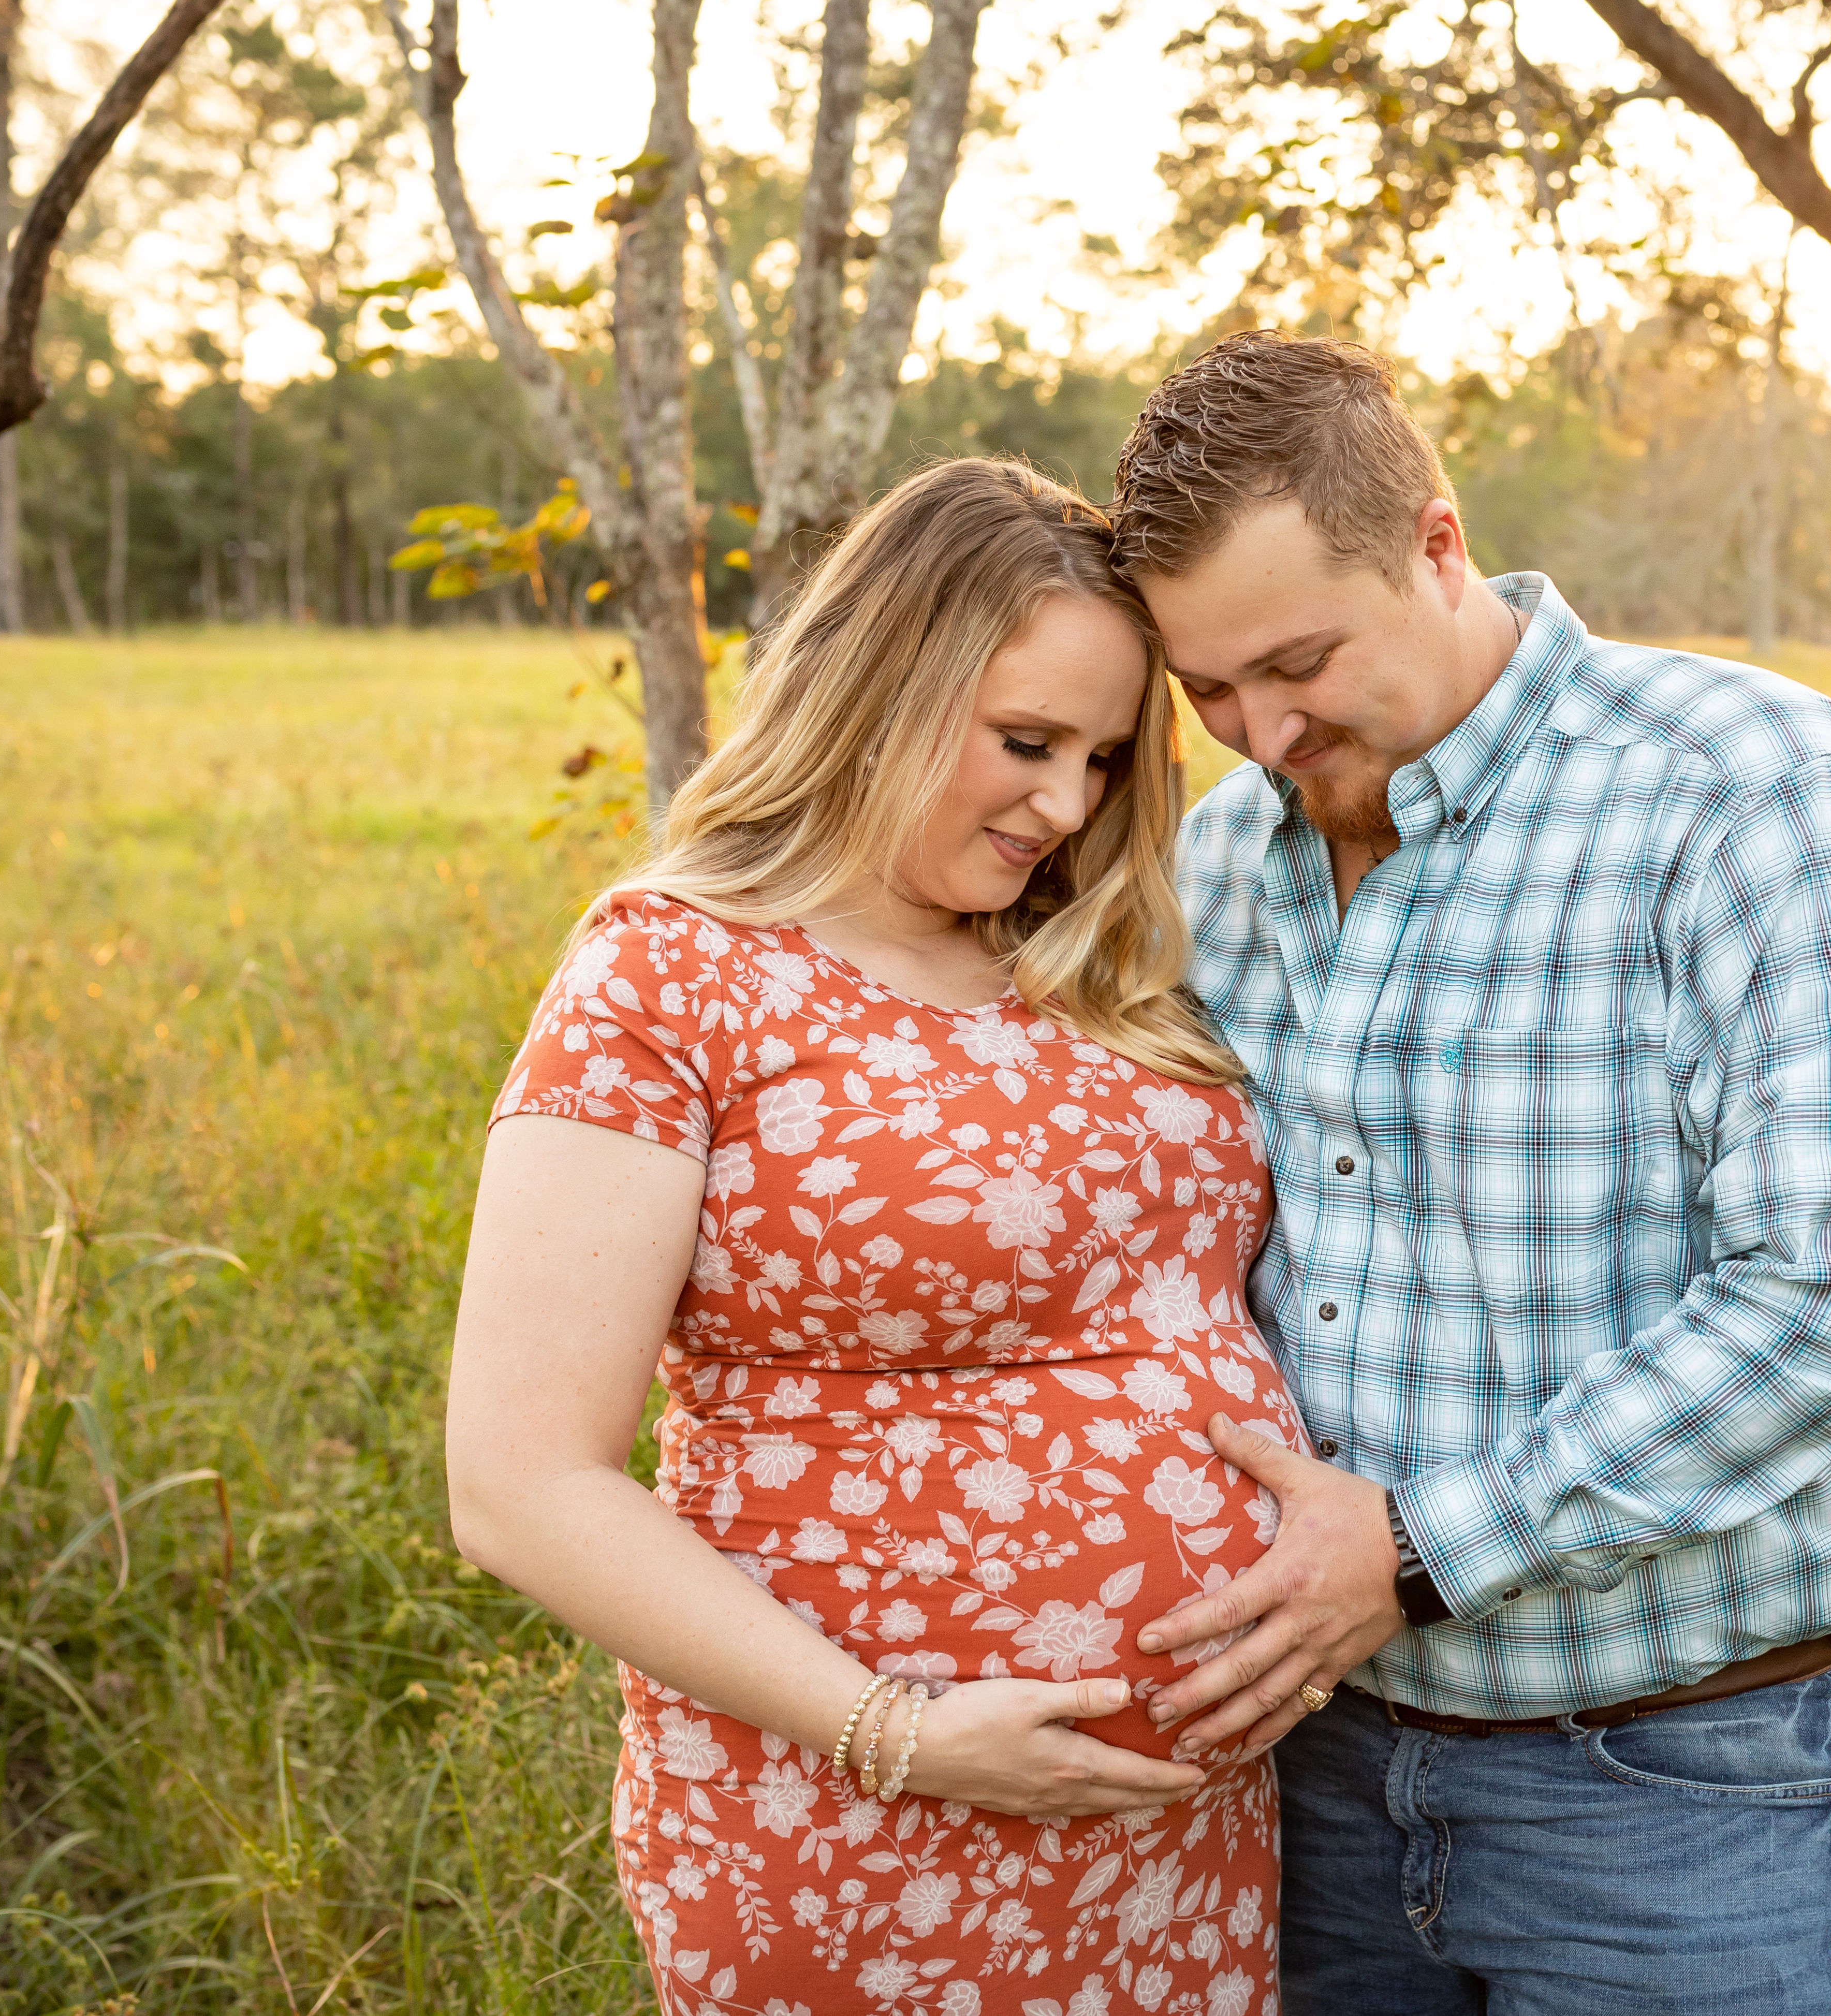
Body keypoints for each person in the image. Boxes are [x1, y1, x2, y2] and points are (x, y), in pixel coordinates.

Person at [1106, 332, 1831, 2012]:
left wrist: (1419, 1551)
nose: (1257, 730)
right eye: (1203, 691)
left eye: (1296, 660)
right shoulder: (1219, 853)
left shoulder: (1747, 789)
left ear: (1436, 543)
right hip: (1306, 1770)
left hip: (1666, 1782)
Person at [450, 457, 1300, 2016]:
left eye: (1106, 760)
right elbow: (518, 1486)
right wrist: (895, 1730)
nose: (1063, 805)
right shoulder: (671, 979)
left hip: (1177, 1847)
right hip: (856, 1814)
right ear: (876, 684)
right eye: (1026, 741)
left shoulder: (1091, 960)